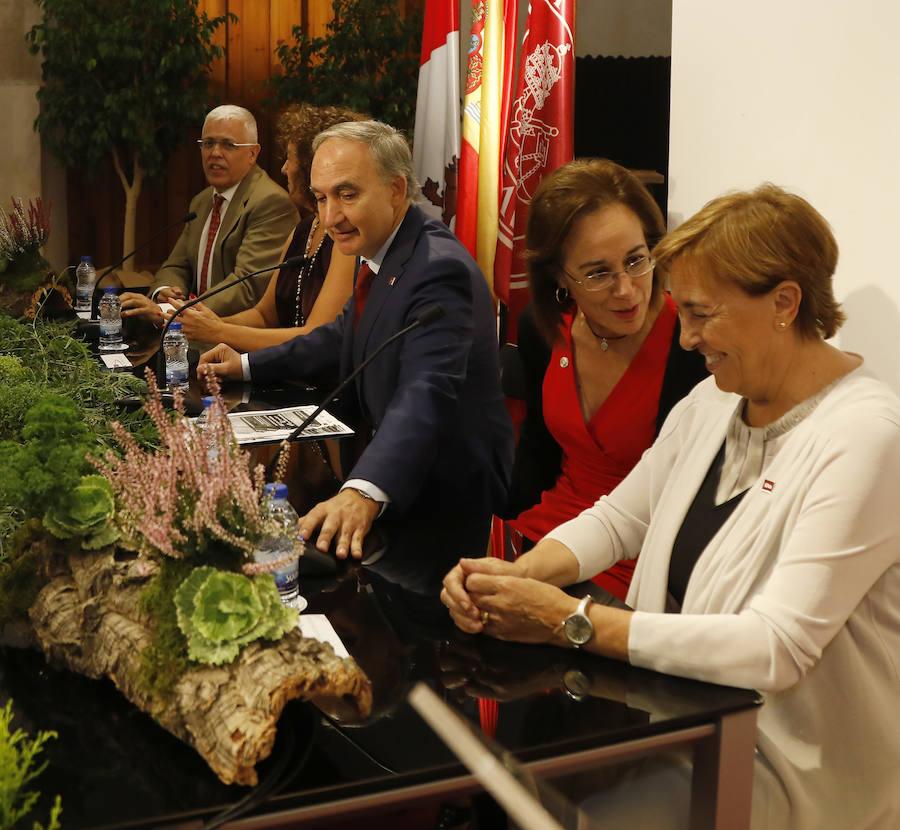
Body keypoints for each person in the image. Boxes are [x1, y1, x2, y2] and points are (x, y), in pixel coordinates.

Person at [442, 184, 900, 829]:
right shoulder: (715, 400)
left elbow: (776, 647)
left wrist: (571, 620)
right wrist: (521, 576)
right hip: (688, 732)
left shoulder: (866, 437)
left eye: (702, 314)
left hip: (797, 775)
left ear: (785, 303)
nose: (684, 338)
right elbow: (620, 517)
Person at [199, 120, 514, 560]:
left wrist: (365, 492)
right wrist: (248, 365)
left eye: (347, 195)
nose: (330, 218)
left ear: (396, 190)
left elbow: (424, 393)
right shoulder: (385, 248)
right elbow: (342, 334)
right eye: (322, 197)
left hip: (442, 501)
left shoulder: (439, 271)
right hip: (391, 467)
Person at [501, 160, 706, 602]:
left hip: (643, 558)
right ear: (559, 276)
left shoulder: (692, 346)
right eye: (598, 273)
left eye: (636, 261)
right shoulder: (543, 328)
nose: (627, 290)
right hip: (547, 535)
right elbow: (537, 450)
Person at [172, 104, 365, 351]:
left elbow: (315, 338)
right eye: (207, 143)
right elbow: (264, 316)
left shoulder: (345, 236)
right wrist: (200, 323)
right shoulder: (304, 229)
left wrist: (217, 330)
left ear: (313, 166)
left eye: (290, 159)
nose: (284, 168)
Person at [120, 105, 297, 324]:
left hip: (238, 339)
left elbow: (247, 287)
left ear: (252, 153)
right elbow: (177, 265)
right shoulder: (203, 201)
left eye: (228, 145)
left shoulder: (270, 203)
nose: (215, 153)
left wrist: (172, 312)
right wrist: (165, 291)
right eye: (208, 143)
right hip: (191, 333)